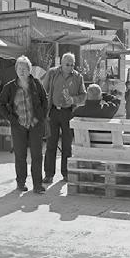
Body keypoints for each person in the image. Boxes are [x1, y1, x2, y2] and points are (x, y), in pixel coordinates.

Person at [0, 55, 48, 193]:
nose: (22, 71)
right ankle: (21, 183)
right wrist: (11, 119)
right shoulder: (10, 86)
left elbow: (45, 101)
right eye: (19, 68)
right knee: (20, 156)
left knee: (37, 155)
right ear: (16, 70)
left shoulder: (37, 84)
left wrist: (41, 118)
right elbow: (0, 104)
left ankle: (37, 185)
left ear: (29, 70)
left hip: (35, 126)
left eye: (24, 68)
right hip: (18, 126)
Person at [42, 52, 87, 183]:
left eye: (72, 64)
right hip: (54, 112)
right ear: (61, 63)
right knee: (51, 144)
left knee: (67, 145)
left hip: (69, 113)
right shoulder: (52, 73)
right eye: (67, 64)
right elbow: (43, 90)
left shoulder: (78, 77)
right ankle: (49, 174)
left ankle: (66, 173)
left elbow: (83, 96)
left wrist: (73, 100)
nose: (70, 67)